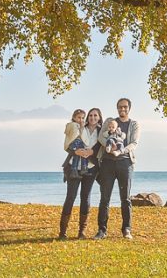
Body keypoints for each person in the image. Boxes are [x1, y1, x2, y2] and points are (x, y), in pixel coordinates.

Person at [94, 97, 139, 240]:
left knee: (125, 198)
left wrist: (120, 151)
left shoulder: (134, 124)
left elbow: (134, 143)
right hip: (107, 163)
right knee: (104, 198)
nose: (122, 109)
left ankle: (126, 229)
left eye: (125, 107)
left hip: (125, 163)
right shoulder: (109, 122)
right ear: (117, 108)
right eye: (120, 107)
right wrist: (109, 146)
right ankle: (102, 230)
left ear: (129, 108)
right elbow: (101, 137)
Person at [58, 108, 102, 240]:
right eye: (90, 115)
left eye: (95, 115)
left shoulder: (101, 132)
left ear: (99, 117)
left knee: (85, 197)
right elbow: (68, 144)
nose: (92, 117)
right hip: (74, 167)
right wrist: (75, 151)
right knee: (70, 197)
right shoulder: (79, 127)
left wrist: (92, 153)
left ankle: (81, 231)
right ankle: (62, 232)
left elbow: (102, 148)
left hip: (91, 168)